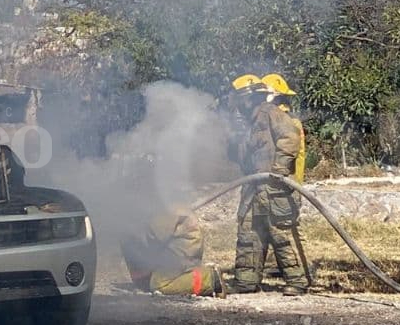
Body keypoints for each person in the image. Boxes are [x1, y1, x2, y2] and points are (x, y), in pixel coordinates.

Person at [231, 74, 308, 296]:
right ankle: (246, 281)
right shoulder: (248, 123)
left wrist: (280, 170)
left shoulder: (271, 113)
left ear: (250, 98)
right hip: (253, 189)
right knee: (249, 234)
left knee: (281, 235)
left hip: (275, 189)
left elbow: (290, 139)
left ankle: (297, 281)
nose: (237, 105)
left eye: (240, 99)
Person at [121, 207, 226, 297]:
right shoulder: (159, 197)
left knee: (160, 284)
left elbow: (154, 237)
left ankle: (210, 279)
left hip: (182, 249)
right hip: (173, 247)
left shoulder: (163, 204)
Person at [261, 73, 306, 184]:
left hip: (284, 184)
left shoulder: (289, 121)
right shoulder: (270, 118)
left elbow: (295, 156)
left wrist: (293, 184)